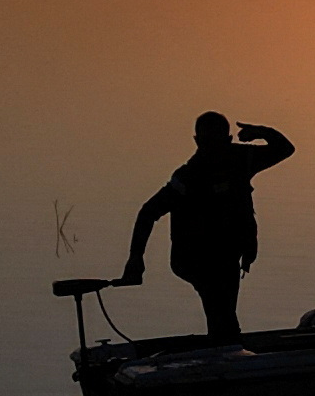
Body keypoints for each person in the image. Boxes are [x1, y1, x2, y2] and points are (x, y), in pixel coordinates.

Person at [124, 112, 295, 342]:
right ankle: (225, 352)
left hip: (228, 256)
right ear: (197, 142)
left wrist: (262, 132)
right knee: (221, 311)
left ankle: (223, 350)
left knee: (224, 316)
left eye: (216, 142)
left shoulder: (241, 160)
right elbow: (148, 213)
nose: (211, 149)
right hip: (193, 259)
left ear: (228, 140)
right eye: (206, 142)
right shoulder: (187, 178)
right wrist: (136, 257)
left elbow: (285, 149)